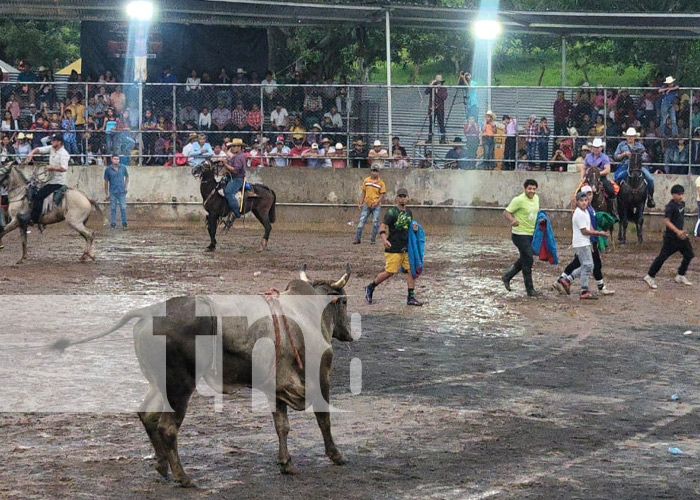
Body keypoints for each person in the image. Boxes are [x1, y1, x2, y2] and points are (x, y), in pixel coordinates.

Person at [365, 188, 423, 306]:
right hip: (393, 248)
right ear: (396, 198)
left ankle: (410, 297)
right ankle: (371, 287)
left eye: (404, 196)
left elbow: (411, 227)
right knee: (390, 271)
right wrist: (384, 239)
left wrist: (415, 228)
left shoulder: (409, 213)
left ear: (408, 198)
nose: (402, 199)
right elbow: (383, 226)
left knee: (411, 271)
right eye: (400, 196)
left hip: (406, 248)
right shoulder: (392, 212)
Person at [555, 185, 614, 297]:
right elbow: (584, 231)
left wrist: (598, 233)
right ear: (577, 202)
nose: (585, 202)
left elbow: (590, 226)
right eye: (582, 200)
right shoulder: (580, 213)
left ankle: (572, 283)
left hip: (587, 242)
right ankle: (572, 283)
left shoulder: (588, 210)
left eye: (587, 199)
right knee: (587, 265)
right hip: (583, 243)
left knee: (587, 265)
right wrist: (599, 233)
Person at [644, 184, 694, 289]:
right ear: (673, 195)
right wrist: (677, 231)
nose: (681, 196)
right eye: (678, 194)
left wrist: (682, 231)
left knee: (689, 254)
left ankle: (680, 275)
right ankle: (650, 276)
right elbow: (666, 221)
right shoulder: (670, 206)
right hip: (671, 238)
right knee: (662, 257)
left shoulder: (682, 204)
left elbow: (679, 219)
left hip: (681, 237)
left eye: (682, 194)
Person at [501, 179, 541, 297]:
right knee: (528, 258)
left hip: (530, 233)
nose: (532, 191)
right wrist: (513, 220)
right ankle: (530, 289)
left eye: (534, 189)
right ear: (525, 189)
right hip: (519, 234)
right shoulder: (518, 200)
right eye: (529, 189)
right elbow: (506, 212)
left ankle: (507, 276)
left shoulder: (537, 198)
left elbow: (536, 213)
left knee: (525, 258)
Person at [25, 134, 69, 226]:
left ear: (59, 142)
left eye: (53, 140)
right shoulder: (52, 148)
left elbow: (64, 168)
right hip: (50, 179)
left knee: (38, 196)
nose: (51, 142)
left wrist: (51, 168)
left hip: (57, 182)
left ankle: (34, 218)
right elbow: (40, 149)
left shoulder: (64, 154)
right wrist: (32, 152)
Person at [613, 127, 655, 208]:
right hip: (625, 166)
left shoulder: (640, 146)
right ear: (626, 137)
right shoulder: (621, 145)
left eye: (632, 136)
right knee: (616, 178)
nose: (630, 138)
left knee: (651, 179)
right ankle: (616, 198)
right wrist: (624, 154)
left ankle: (650, 197)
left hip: (638, 167)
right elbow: (616, 156)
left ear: (635, 137)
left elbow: (645, 157)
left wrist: (638, 156)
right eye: (628, 136)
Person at [581, 137, 616, 216]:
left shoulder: (604, 157)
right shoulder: (588, 156)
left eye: (597, 147)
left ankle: (612, 211)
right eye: (594, 147)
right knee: (579, 192)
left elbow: (607, 170)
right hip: (589, 178)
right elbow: (583, 167)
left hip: (601, 178)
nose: (596, 149)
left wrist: (597, 174)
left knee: (610, 190)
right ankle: (578, 209)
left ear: (601, 148)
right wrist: (582, 177)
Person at [353, 166, 386, 244]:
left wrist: (377, 202)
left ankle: (373, 240)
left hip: (376, 205)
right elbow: (363, 192)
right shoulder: (366, 181)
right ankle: (357, 239)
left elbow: (382, 194)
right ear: (371, 171)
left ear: (378, 172)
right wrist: (360, 202)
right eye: (373, 171)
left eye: (376, 171)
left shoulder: (381, 183)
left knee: (375, 223)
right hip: (367, 204)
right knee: (361, 222)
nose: (375, 173)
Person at [223, 138, 247, 220]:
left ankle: (236, 212)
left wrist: (225, 165)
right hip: (233, 177)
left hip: (237, 178)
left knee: (228, 192)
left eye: (234, 146)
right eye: (232, 146)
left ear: (239, 147)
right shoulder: (237, 156)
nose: (232, 148)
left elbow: (235, 170)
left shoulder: (238, 157)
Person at [104, 154, 129, 230]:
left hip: (122, 191)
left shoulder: (123, 168)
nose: (116, 160)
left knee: (123, 208)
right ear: (112, 159)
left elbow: (127, 177)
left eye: (117, 159)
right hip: (113, 191)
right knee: (113, 208)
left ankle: (124, 224)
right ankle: (113, 224)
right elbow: (106, 181)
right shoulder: (108, 169)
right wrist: (107, 193)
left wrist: (126, 187)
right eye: (115, 159)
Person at [425, 74, 447, 144]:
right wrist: (431, 84)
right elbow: (426, 92)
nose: (438, 84)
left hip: (440, 108)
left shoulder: (444, 89)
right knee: (431, 123)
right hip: (432, 108)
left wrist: (437, 92)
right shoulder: (432, 87)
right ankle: (430, 138)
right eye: (437, 82)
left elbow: (444, 97)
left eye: (439, 82)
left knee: (441, 123)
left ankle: (443, 138)